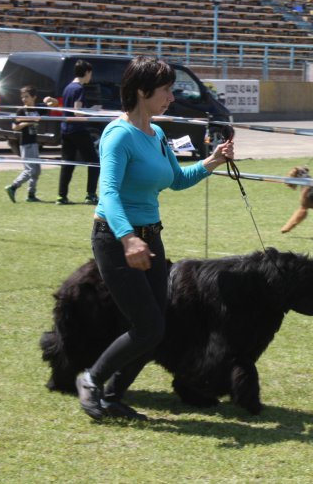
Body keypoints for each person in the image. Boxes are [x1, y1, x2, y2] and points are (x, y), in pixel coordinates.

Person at [75, 56, 235, 421]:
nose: (171, 96)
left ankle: (113, 396)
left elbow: (176, 179)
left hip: (150, 239)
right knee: (149, 327)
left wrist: (212, 162)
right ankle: (92, 380)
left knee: (154, 327)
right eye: (165, 89)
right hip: (117, 240)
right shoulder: (119, 135)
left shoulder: (156, 134)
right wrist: (129, 238)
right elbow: (109, 194)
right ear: (142, 92)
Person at [55, 59, 100, 205]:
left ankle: (61, 196)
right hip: (78, 130)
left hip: (66, 130)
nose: (90, 77)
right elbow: (77, 112)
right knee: (94, 162)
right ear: (87, 72)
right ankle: (91, 195)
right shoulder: (79, 89)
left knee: (67, 164)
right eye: (90, 73)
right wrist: (93, 111)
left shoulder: (68, 87)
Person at [4, 86, 57, 203]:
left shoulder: (38, 108)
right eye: (22, 97)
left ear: (34, 97)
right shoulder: (21, 111)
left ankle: (31, 195)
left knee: (36, 170)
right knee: (30, 170)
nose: (24, 99)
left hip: (34, 143)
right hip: (26, 144)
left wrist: (49, 99)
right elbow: (14, 127)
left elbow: (55, 104)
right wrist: (28, 122)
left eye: (26, 97)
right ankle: (13, 187)